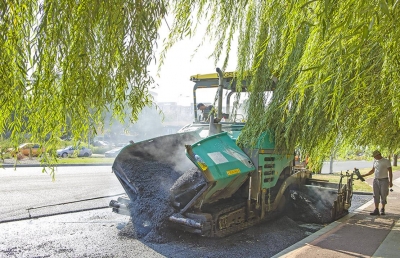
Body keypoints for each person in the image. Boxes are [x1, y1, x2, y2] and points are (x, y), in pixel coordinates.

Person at [361, 150, 393, 215]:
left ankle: (383, 209)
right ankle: (376, 209)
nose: (374, 157)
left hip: (384, 180)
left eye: (374, 156)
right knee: (376, 195)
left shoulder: (386, 161)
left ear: (378, 155)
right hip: (376, 180)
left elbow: (390, 172)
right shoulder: (375, 161)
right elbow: (372, 171)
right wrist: (364, 175)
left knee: (383, 195)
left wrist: (390, 182)